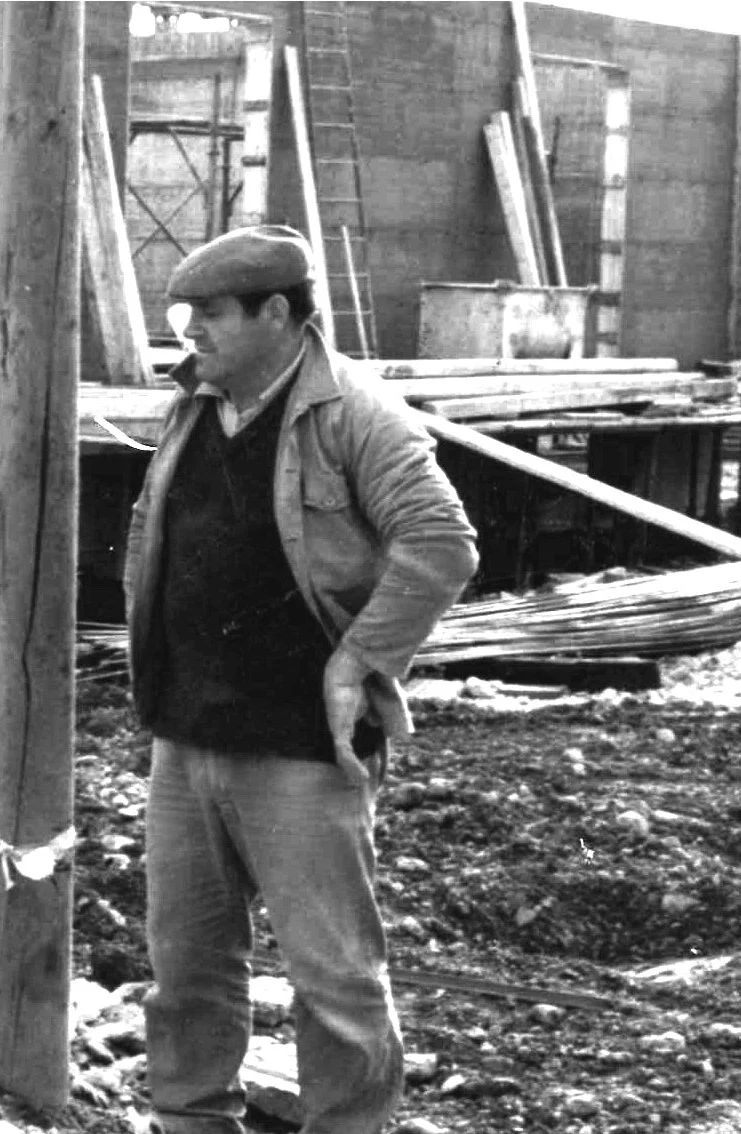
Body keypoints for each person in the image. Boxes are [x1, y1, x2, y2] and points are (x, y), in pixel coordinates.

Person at [124, 224, 479, 1134]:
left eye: (210, 314)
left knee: (333, 981)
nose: (190, 332)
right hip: (187, 736)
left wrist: (361, 659)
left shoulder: (356, 414)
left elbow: (441, 543)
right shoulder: (196, 403)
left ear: (276, 313)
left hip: (298, 747)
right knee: (186, 972)